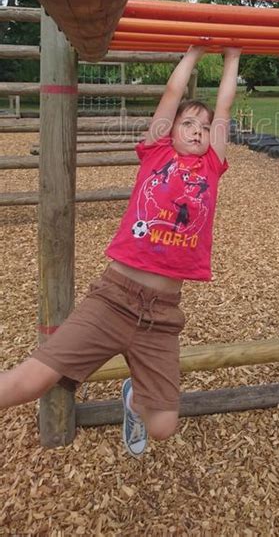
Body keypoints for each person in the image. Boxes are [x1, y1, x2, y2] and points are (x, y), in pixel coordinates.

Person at [0, 45, 241, 457]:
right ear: (171, 131)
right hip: (114, 298)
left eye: (204, 127)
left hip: (161, 315)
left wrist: (233, 56)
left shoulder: (212, 165)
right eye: (188, 123)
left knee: (163, 426)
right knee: (32, 380)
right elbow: (170, 93)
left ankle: (133, 400)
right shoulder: (156, 153)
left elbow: (224, 106)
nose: (198, 130)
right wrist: (195, 53)